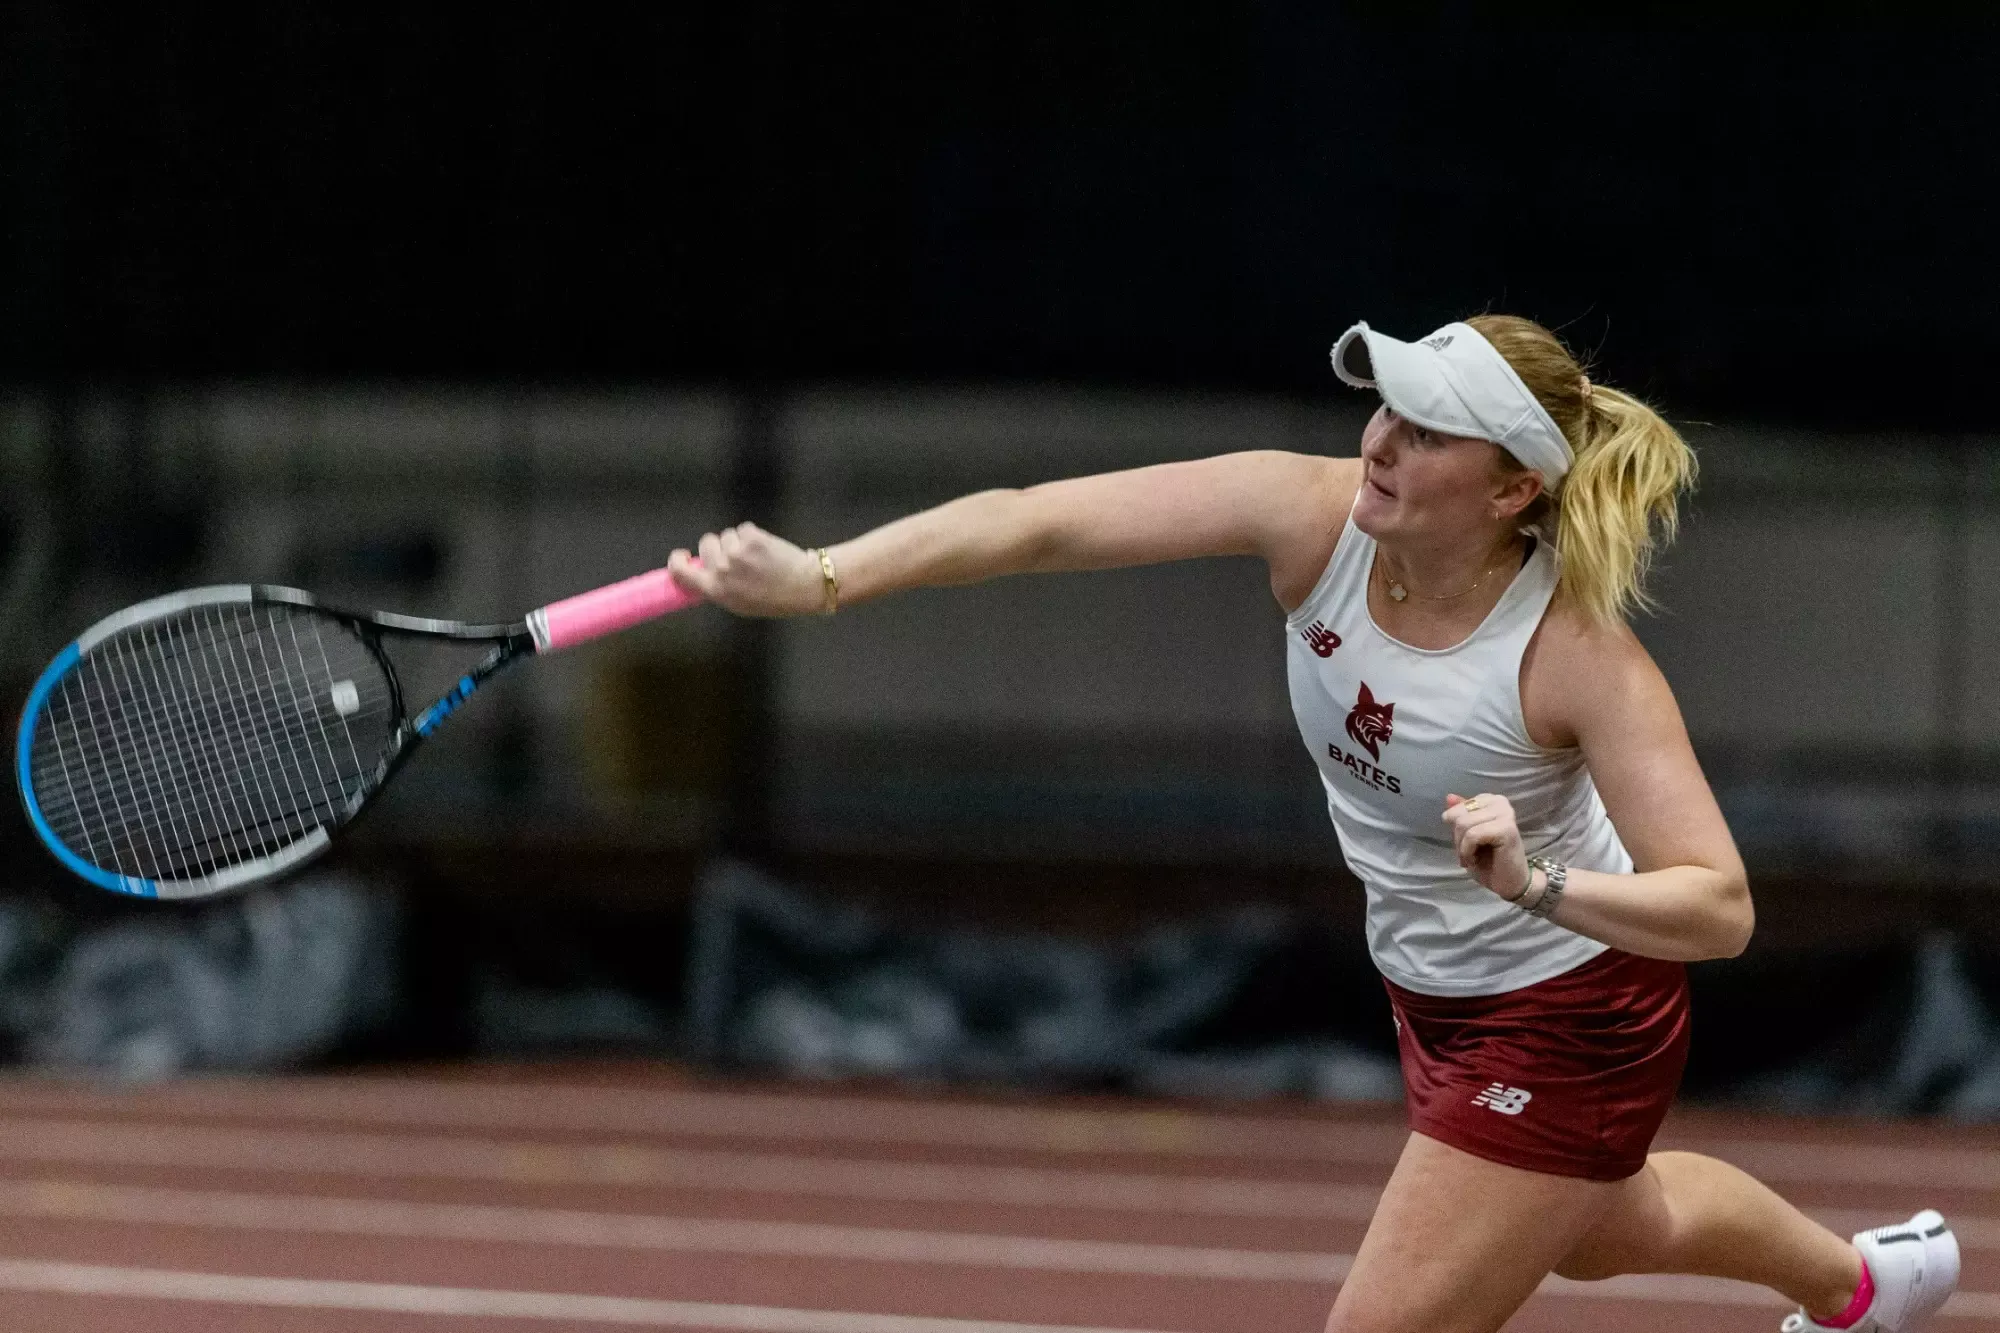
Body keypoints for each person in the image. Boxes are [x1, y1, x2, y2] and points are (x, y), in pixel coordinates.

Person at [664, 314, 1959, 1333]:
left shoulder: (1577, 660)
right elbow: (1039, 519)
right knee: (1619, 1231)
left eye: (1430, 431)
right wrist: (824, 577)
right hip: (1434, 999)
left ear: (1514, 489)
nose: (1383, 443)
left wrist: (1541, 883)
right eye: (1386, 406)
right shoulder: (1311, 515)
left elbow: (1720, 907)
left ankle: (1858, 1288)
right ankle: (1867, 1288)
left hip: (1572, 1011)